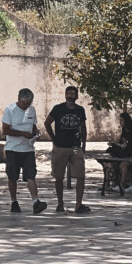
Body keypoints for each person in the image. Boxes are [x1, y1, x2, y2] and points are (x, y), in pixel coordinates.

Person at [44, 85, 90, 213]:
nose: (70, 96)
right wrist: (53, 138)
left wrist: (84, 143)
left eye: (72, 94)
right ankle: (60, 203)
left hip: (76, 147)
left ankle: (78, 204)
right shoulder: (58, 109)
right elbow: (47, 122)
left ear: (76, 96)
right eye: (68, 93)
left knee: (80, 175)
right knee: (59, 177)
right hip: (60, 147)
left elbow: (83, 127)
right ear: (65, 95)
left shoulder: (80, 110)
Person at [1, 87, 47, 214]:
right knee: (12, 177)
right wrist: (22, 134)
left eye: (29, 103)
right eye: (24, 103)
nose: (26, 106)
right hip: (13, 149)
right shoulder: (10, 110)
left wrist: (35, 133)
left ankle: (36, 201)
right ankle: (14, 201)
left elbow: (33, 126)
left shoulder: (31, 110)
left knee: (31, 175)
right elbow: (5, 130)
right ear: (19, 100)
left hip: (28, 149)